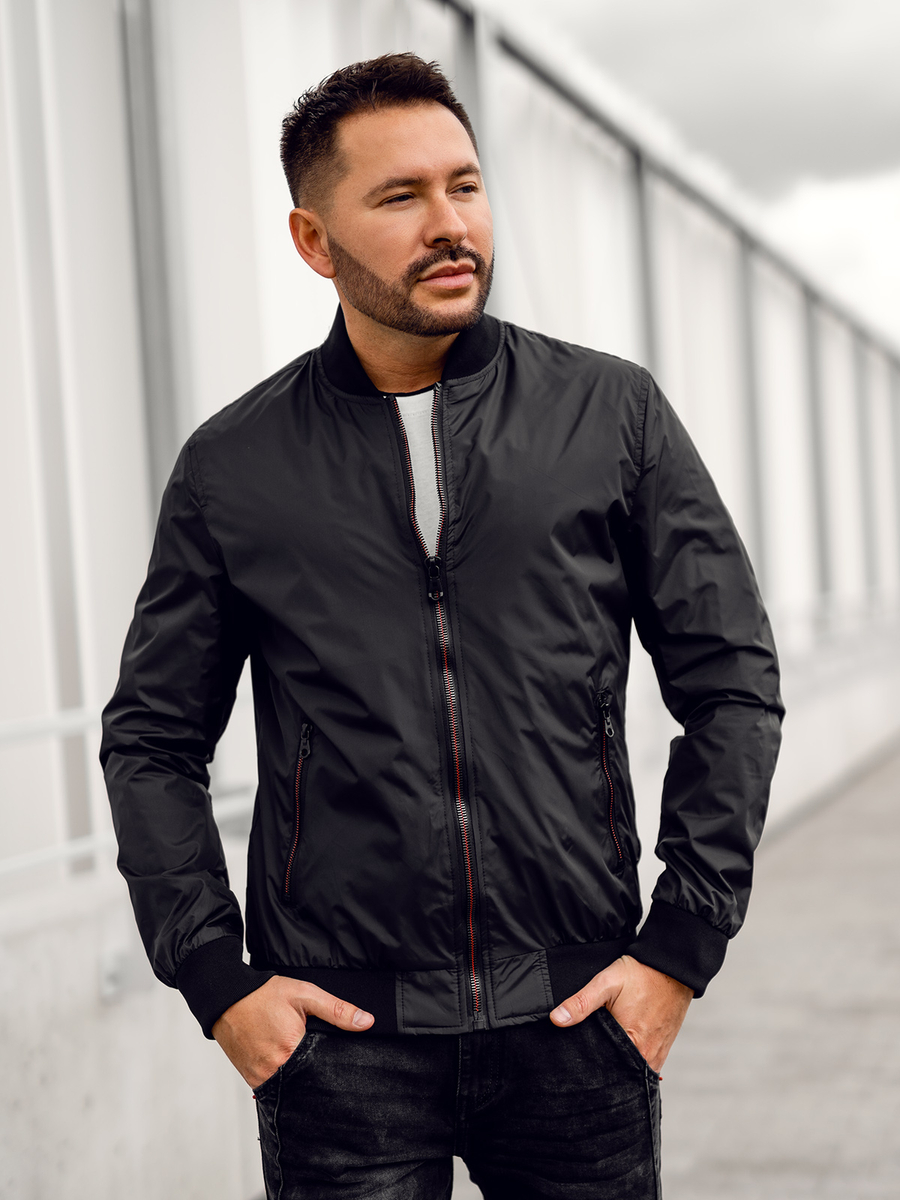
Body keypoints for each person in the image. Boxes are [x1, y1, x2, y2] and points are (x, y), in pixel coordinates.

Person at [101, 52, 783, 1199]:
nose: (450, 222)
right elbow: (151, 739)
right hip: (342, 1045)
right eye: (400, 196)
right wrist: (219, 982)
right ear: (315, 241)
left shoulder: (609, 414)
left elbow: (732, 684)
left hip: (577, 1018)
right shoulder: (234, 465)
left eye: (464, 185)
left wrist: (678, 949)